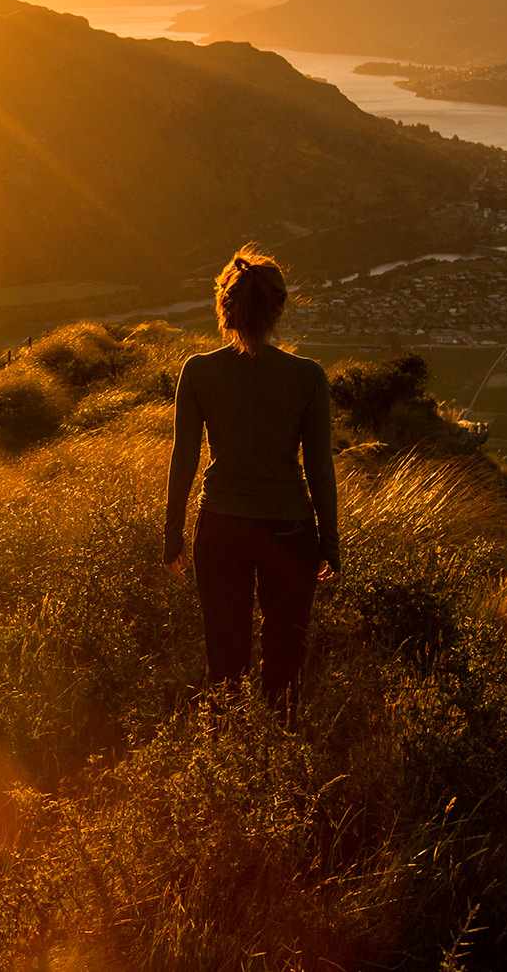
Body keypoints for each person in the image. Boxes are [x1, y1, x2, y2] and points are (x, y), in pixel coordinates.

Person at [164, 245, 338, 719]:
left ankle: (226, 758)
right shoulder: (308, 377)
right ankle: (276, 756)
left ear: (225, 307)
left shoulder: (198, 371)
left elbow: (185, 459)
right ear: (278, 308)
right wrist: (331, 543)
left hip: (220, 527)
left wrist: (172, 536)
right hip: (290, 530)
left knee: (225, 655)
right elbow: (320, 468)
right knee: (285, 657)